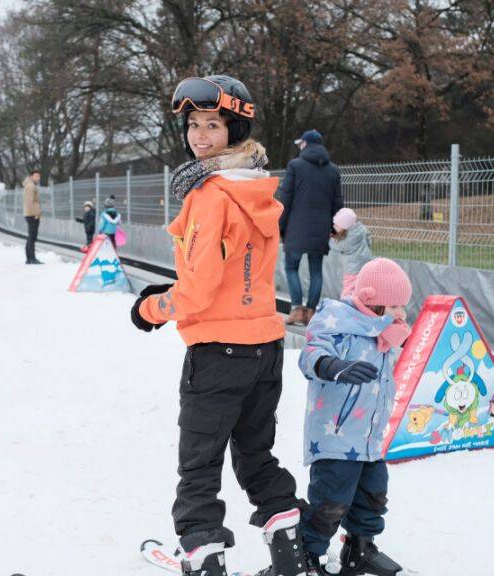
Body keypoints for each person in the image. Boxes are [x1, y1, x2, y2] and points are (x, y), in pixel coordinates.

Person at [130, 74, 308, 576]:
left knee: (200, 463)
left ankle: (205, 557)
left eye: (213, 124)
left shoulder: (209, 196)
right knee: (256, 454)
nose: (200, 135)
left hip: (217, 353)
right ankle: (289, 551)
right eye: (193, 124)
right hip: (265, 346)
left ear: (233, 129)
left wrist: (149, 309)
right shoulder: (258, 189)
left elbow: (199, 288)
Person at [298, 258, 412, 575]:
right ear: (372, 304)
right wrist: (334, 367)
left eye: (403, 306)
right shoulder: (336, 323)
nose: (401, 313)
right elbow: (311, 355)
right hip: (336, 435)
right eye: (394, 306)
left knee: (373, 496)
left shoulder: (385, 333)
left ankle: (359, 548)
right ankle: (308, 556)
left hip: (369, 437)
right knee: (329, 503)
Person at [279, 129, 343, 326]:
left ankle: (297, 309)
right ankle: (311, 311)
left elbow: (285, 199)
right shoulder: (333, 170)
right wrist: (334, 228)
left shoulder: (295, 166)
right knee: (316, 270)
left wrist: (281, 227)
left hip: (296, 228)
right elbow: (337, 203)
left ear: (305, 144)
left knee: (291, 267)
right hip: (320, 229)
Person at [331, 207, 374, 298]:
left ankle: (345, 306)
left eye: (337, 225)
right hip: (366, 264)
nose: (334, 227)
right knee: (361, 287)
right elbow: (369, 241)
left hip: (353, 269)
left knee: (348, 289)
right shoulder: (361, 229)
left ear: (345, 225)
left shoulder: (350, 237)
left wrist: (330, 240)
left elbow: (340, 246)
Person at [22, 170, 43, 264]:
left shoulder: (30, 185)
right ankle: (32, 258)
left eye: (39, 176)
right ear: (31, 176)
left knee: (31, 236)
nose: (38, 178)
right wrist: (36, 213)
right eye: (36, 176)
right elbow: (30, 202)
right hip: (32, 214)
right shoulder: (31, 186)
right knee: (32, 237)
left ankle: (29, 258)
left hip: (30, 213)